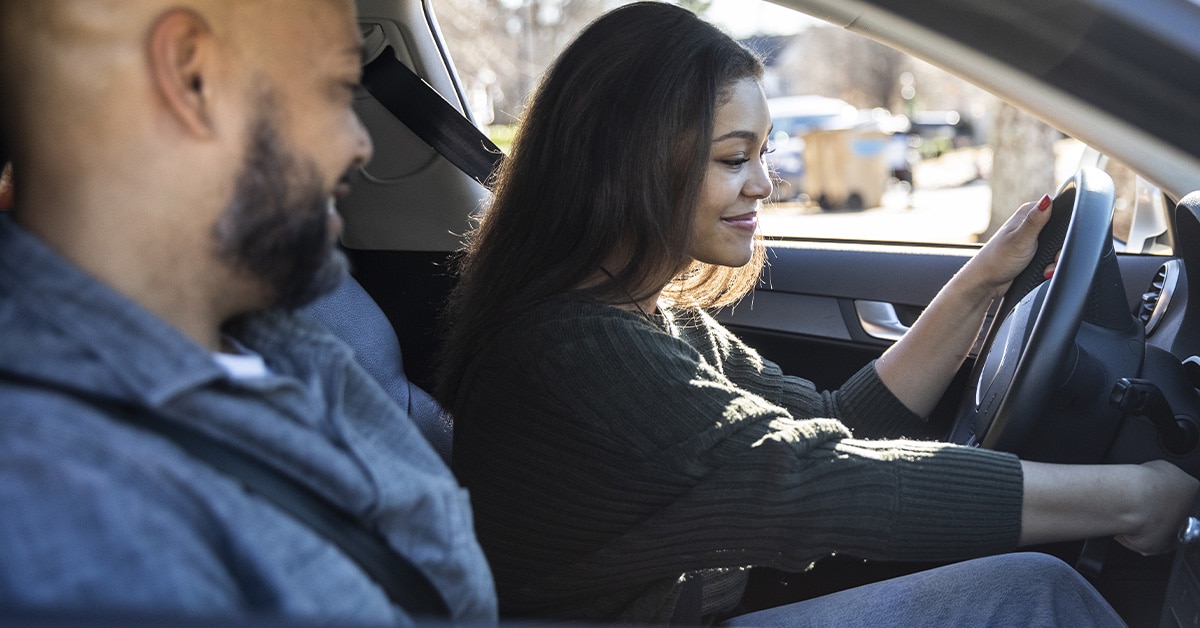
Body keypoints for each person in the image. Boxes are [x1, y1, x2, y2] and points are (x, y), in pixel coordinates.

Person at [438, 2, 1197, 625]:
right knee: (1034, 594)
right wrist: (1131, 500)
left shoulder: (648, 316)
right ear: (629, 163)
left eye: (765, 153)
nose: (764, 184)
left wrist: (980, 284)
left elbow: (832, 422)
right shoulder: (574, 355)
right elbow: (818, 484)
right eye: (734, 158)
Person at [0, 0, 494, 623]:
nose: (361, 144)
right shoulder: (65, 510)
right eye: (338, 89)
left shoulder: (288, 340)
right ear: (191, 78)